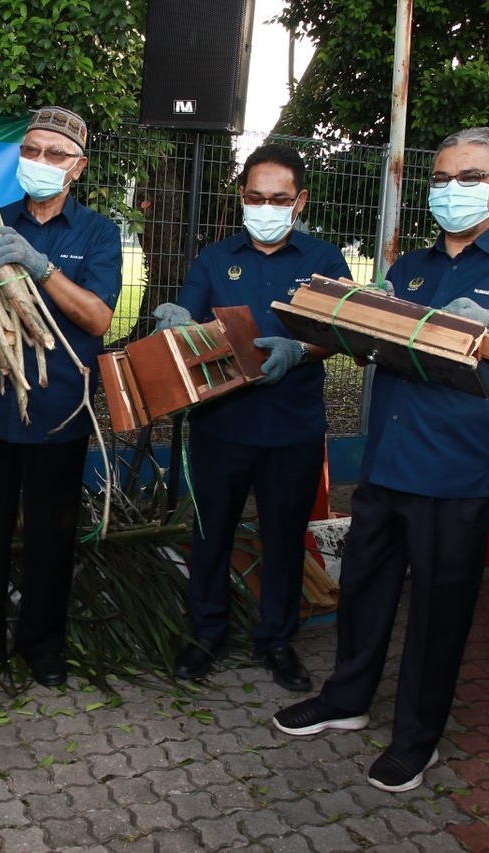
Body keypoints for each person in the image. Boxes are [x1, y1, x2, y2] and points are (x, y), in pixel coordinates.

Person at [273, 127, 489, 792]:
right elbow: (385, 344)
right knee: (365, 591)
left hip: (457, 471)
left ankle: (417, 737)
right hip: (386, 461)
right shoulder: (412, 267)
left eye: (469, 177)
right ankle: (347, 698)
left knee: (439, 610)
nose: (452, 190)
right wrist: (336, 326)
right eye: (441, 179)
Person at [154, 143, 351, 690]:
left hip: (292, 427)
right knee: (211, 533)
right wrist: (175, 321)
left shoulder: (324, 262)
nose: (266, 207)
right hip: (222, 425)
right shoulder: (215, 258)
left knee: (284, 537)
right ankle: (206, 633)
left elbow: (336, 331)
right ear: (241, 198)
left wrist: (301, 351)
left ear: (300, 200)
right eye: (256, 197)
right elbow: (188, 318)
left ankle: (277, 639)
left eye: (279, 198)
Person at [0, 106, 121, 688]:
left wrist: (40, 265)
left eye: (54, 154)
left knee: (52, 535)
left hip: (59, 408)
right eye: (31, 151)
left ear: (77, 168)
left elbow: (98, 318)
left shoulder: (97, 233)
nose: (40, 162)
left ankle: (42, 646)